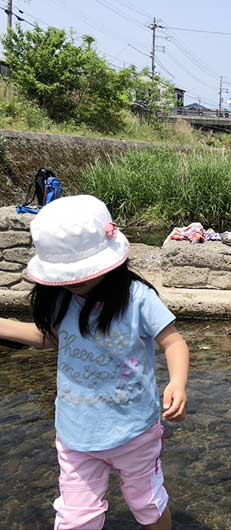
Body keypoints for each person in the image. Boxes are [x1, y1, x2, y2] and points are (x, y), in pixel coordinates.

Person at [0, 195, 190, 530]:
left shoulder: (137, 298)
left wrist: (177, 382)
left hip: (135, 432)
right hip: (76, 434)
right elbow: (54, 338)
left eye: (79, 276)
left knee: (146, 502)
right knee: (75, 518)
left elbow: (173, 342)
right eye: (64, 277)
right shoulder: (62, 298)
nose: (73, 283)